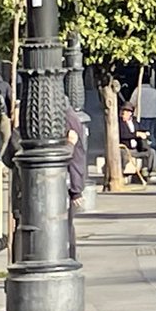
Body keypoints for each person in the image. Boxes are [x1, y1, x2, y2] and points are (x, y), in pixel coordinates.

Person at [118, 103, 156, 182]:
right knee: (122, 154)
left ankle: (151, 173)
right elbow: (122, 135)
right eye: (123, 112)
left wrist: (145, 133)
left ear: (130, 113)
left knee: (151, 152)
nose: (124, 114)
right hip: (126, 148)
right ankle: (122, 174)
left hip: (136, 149)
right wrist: (136, 134)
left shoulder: (134, 122)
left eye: (126, 112)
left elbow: (140, 130)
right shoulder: (119, 123)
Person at [66, 106, 86, 260]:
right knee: (67, 224)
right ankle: (70, 257)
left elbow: (74, 157)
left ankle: (69, 257)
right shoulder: (71, 118)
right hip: (69, 182)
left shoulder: (65, 120)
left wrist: (76, 189)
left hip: (64, 183)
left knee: (64, 225)